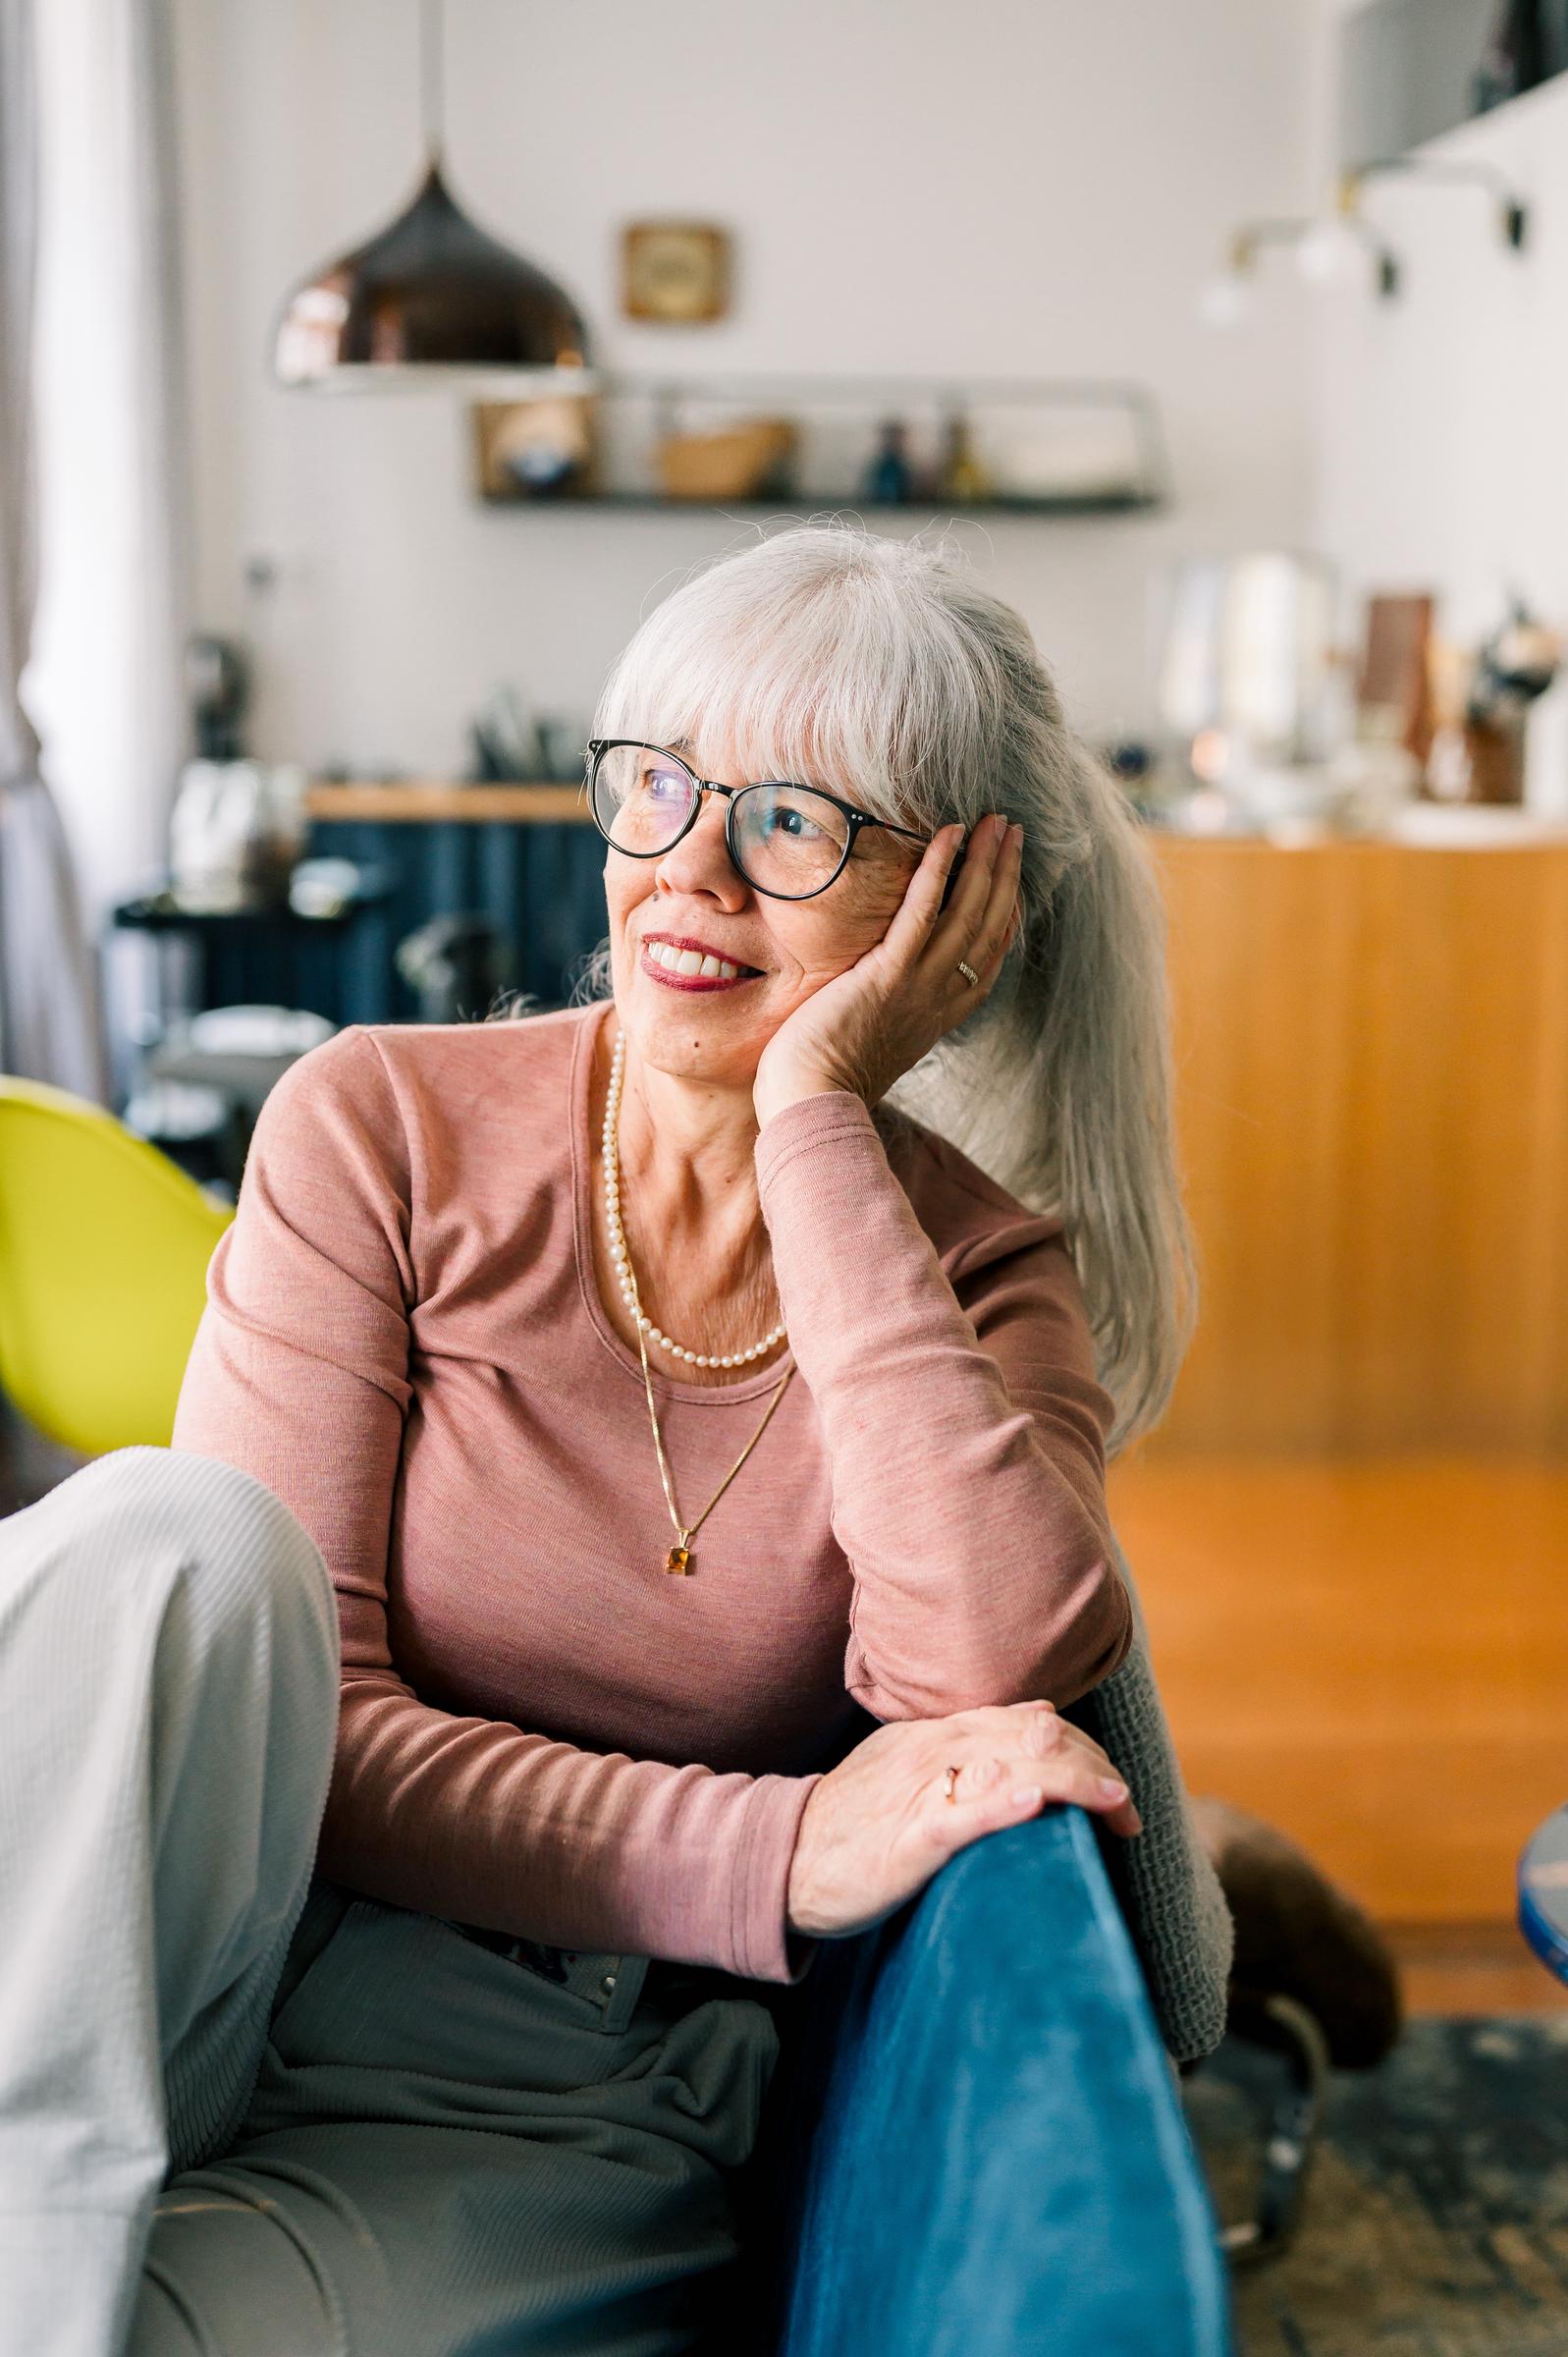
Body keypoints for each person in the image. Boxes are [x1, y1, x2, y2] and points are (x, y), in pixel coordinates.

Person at [0, 521, 1229, 2355]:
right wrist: (774, 1852)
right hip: (191, 1945)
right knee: (177, 1536)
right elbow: (308, 1739)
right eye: (657, 785)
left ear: (952, 912)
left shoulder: (976, 1281)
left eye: (794, 820)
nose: (689, 872)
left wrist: (815, 1119)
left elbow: (986, 1669)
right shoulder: (379, 1125)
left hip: (539, 2085)